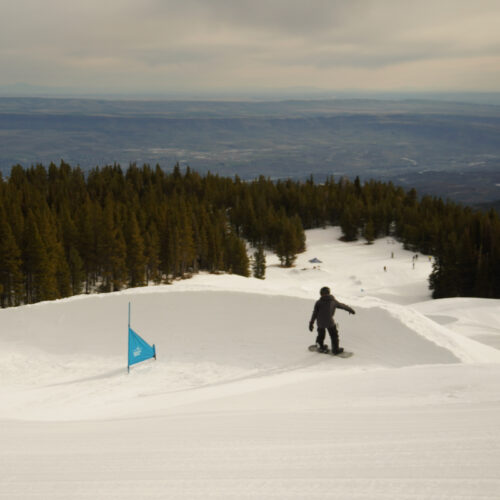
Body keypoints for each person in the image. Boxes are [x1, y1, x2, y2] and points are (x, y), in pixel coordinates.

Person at [309, 286, 355, 354]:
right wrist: (350, 310)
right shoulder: (333, 301)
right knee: (334, 335)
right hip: (329, 322)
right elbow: (342, 306)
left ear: (321, 293)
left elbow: (315, 313)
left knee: (321, 334)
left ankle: (320, 346)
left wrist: (311, 323)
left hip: (320, 322)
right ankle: (335, 350)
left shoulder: (318, 302)